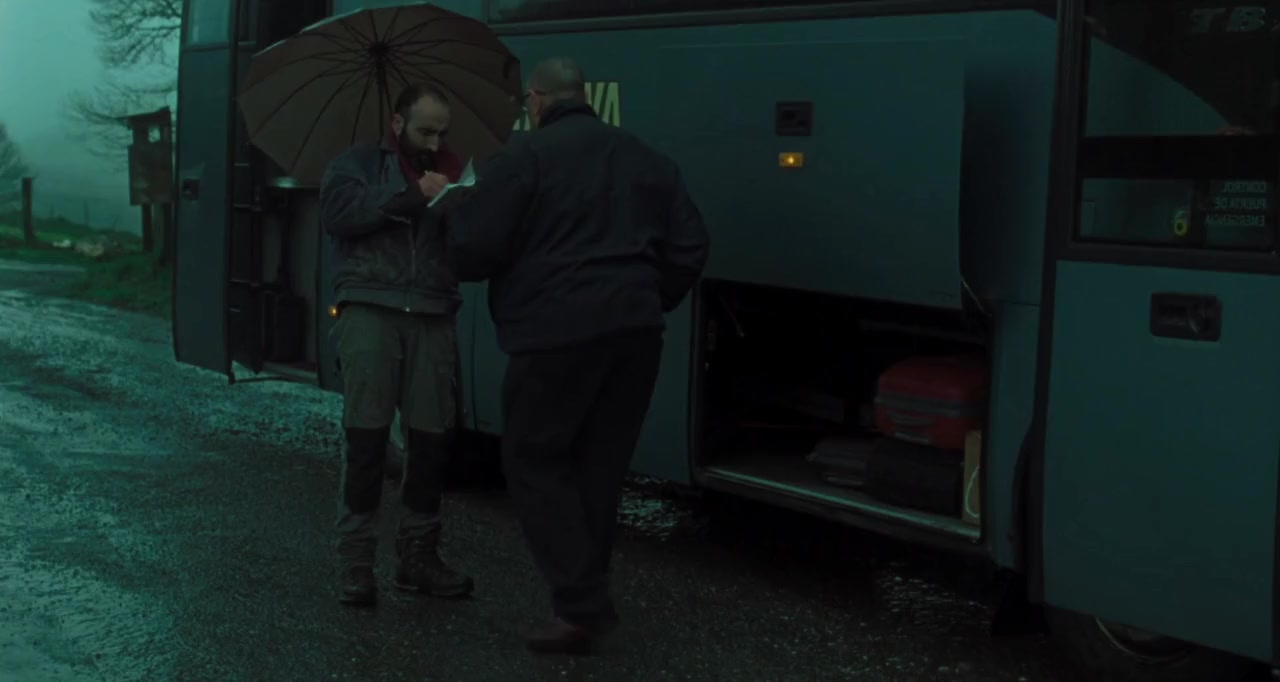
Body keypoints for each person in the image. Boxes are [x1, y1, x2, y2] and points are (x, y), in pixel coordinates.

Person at [444, 57, 710, 653]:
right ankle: (582, 598)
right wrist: (647, 297)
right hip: (635, 336)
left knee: (533, 461)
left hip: (554, 336)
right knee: (600, 467)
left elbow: (473, 253)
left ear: (537, 100)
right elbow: (692, 245)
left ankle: (580, 607)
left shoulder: (523, 159)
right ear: (582, 96)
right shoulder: (646, 157)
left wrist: (454, 208)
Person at [318, 82, 474, 607]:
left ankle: (418, 557)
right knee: (366, 440)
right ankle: (356, 562)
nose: (435, 143)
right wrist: (411, 196)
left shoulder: (455, 171)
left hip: (432, 310)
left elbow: (470, 248)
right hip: (370, 306)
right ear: (398, 123)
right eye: (425, 131)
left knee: (431, 443)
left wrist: (463, 208)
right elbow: (338, 216)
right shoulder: (356, 164)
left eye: (442, 132)